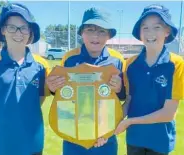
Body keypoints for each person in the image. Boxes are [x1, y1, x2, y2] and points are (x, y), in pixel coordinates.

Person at [47, 7, 126, 155]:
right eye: (90, 29)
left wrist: (120, 88)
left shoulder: (117, 60)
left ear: (109, 35)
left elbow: (122, 98)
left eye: (102, 31)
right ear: (82, 33)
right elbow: (61, 96)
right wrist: (52, 87)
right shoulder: (69, 58)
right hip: (74, 135)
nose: (95, 36)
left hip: (105, 136)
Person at [0, 3, 50, 155]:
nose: (18, 33)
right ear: (3, 30)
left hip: (32, 138)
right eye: (12, 27)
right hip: (2, 140)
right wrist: (5, 124)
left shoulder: (42, 66)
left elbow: (41, 97)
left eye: (24, 27)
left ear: (30, 31)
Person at [114, 4, 184, 155]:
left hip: (160, 140)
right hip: (135, 139)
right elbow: (128, 101)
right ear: (139, 33)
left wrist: (130, 121)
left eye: (157, 27)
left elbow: (168, 113)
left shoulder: (175, 64)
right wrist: (107, 123)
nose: (150, 33)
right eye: (145, 28)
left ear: (167, 31)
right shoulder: (130, 64)